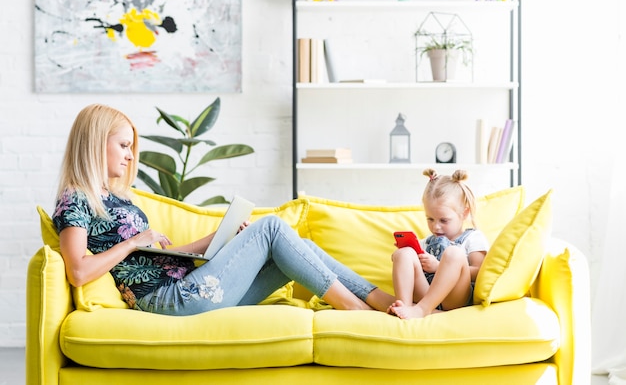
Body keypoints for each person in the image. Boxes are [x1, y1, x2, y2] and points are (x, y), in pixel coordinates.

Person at [52, 103, 396, 316]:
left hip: (188, 286)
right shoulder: (75, 198)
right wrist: (131, 242)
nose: (130, 155)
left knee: (298, 248)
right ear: (97, 142)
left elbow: (162, 258)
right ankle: (354, 308)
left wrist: (221, 237)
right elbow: (78, 272)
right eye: (124, 145)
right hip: (173, 300)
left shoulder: (118, 198)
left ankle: (382, 300)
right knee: (272, 227)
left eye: (131, 146)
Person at [387, 168, 489, 319]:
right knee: (404, 253)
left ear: (464, 213)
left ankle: (421, 310)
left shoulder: (473, 237)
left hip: (454, 299)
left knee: (453, 253)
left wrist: (438, 266)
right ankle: (404, 307)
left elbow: (481, 271)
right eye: (430, 219)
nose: (436, 227)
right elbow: (405, 264)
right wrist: (404, 253)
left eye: (443, 220)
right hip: (426, 293)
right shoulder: (427, 241)